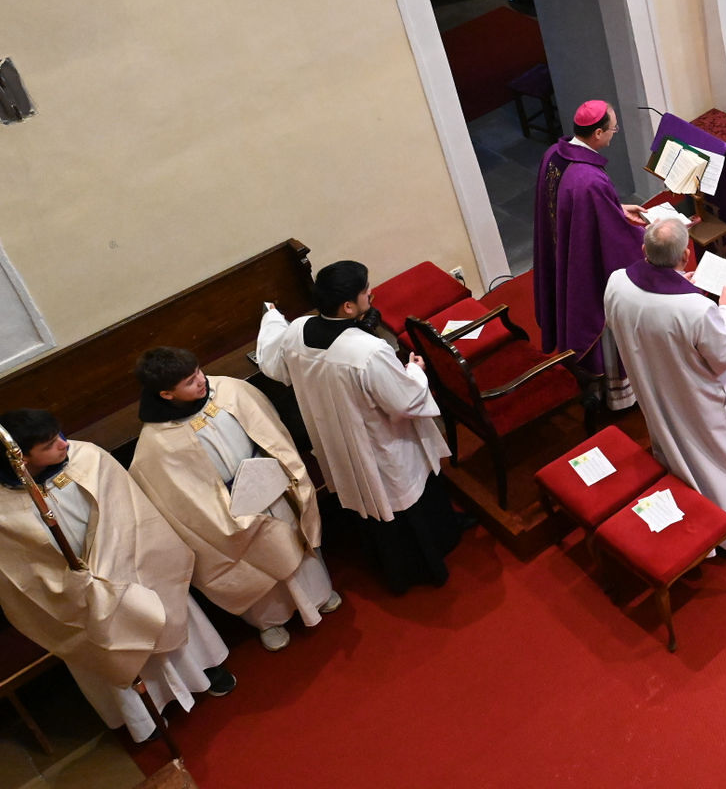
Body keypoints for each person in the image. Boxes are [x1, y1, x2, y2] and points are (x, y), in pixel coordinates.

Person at [0, 410, 236, 743]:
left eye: (60, 435)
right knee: (108, 643)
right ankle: (145, 717)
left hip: (131, 565)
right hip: (77, 592)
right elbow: (19, 569)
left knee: (158, 610)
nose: (65, 444)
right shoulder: (4, 507)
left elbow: (130, 513)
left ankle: (203, 669)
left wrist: (113, 563)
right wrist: (78, 582)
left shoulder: (88, 459)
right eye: (50, 444)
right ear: (22, 458)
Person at [257, 261, 466, 593]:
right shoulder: (366, 351)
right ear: (348, 306)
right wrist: (415, 371)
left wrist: (271, 318)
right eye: (366, 290)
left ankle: (390, 564)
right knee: (400, 492)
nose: (371, 292)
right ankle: (428, 560)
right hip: (379, 442)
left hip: (335, 438)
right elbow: (405, 402)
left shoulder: (297, 330)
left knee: (369, 500)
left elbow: (272, 361)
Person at [130, 349, 337, 653]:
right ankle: (270, 620)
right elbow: (176, 498)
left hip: (269, 484)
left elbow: (271, 431)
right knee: (250, 562)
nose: (201, 380)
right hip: (225, 511)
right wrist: (226, 510)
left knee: (293, 538)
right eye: (189, 381)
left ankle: (317, 594)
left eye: (198, 371)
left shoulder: (229, 391)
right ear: (166, 394)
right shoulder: (156, 442)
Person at [603, 215, 726, 554]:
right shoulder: (697, 309)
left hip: (653, 386)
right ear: (685, 256)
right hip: (696, 399)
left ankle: (689, 512)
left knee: (673, 448)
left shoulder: (617, 282)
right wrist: (725, 309)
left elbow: (637, 317)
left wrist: (679, 282)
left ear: (645, 251)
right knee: (719, 460)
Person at [533, 99, 648, 412]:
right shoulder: (590, 180)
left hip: (563, 251)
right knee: (603, 311)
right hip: (585, 266)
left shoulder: (553, 154)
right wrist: (650, 237)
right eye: (612, 129)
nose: (614, 133)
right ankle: (616, 393)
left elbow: (576, 210)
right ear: (597, 133)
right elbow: (613, 240)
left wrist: (616, 208)